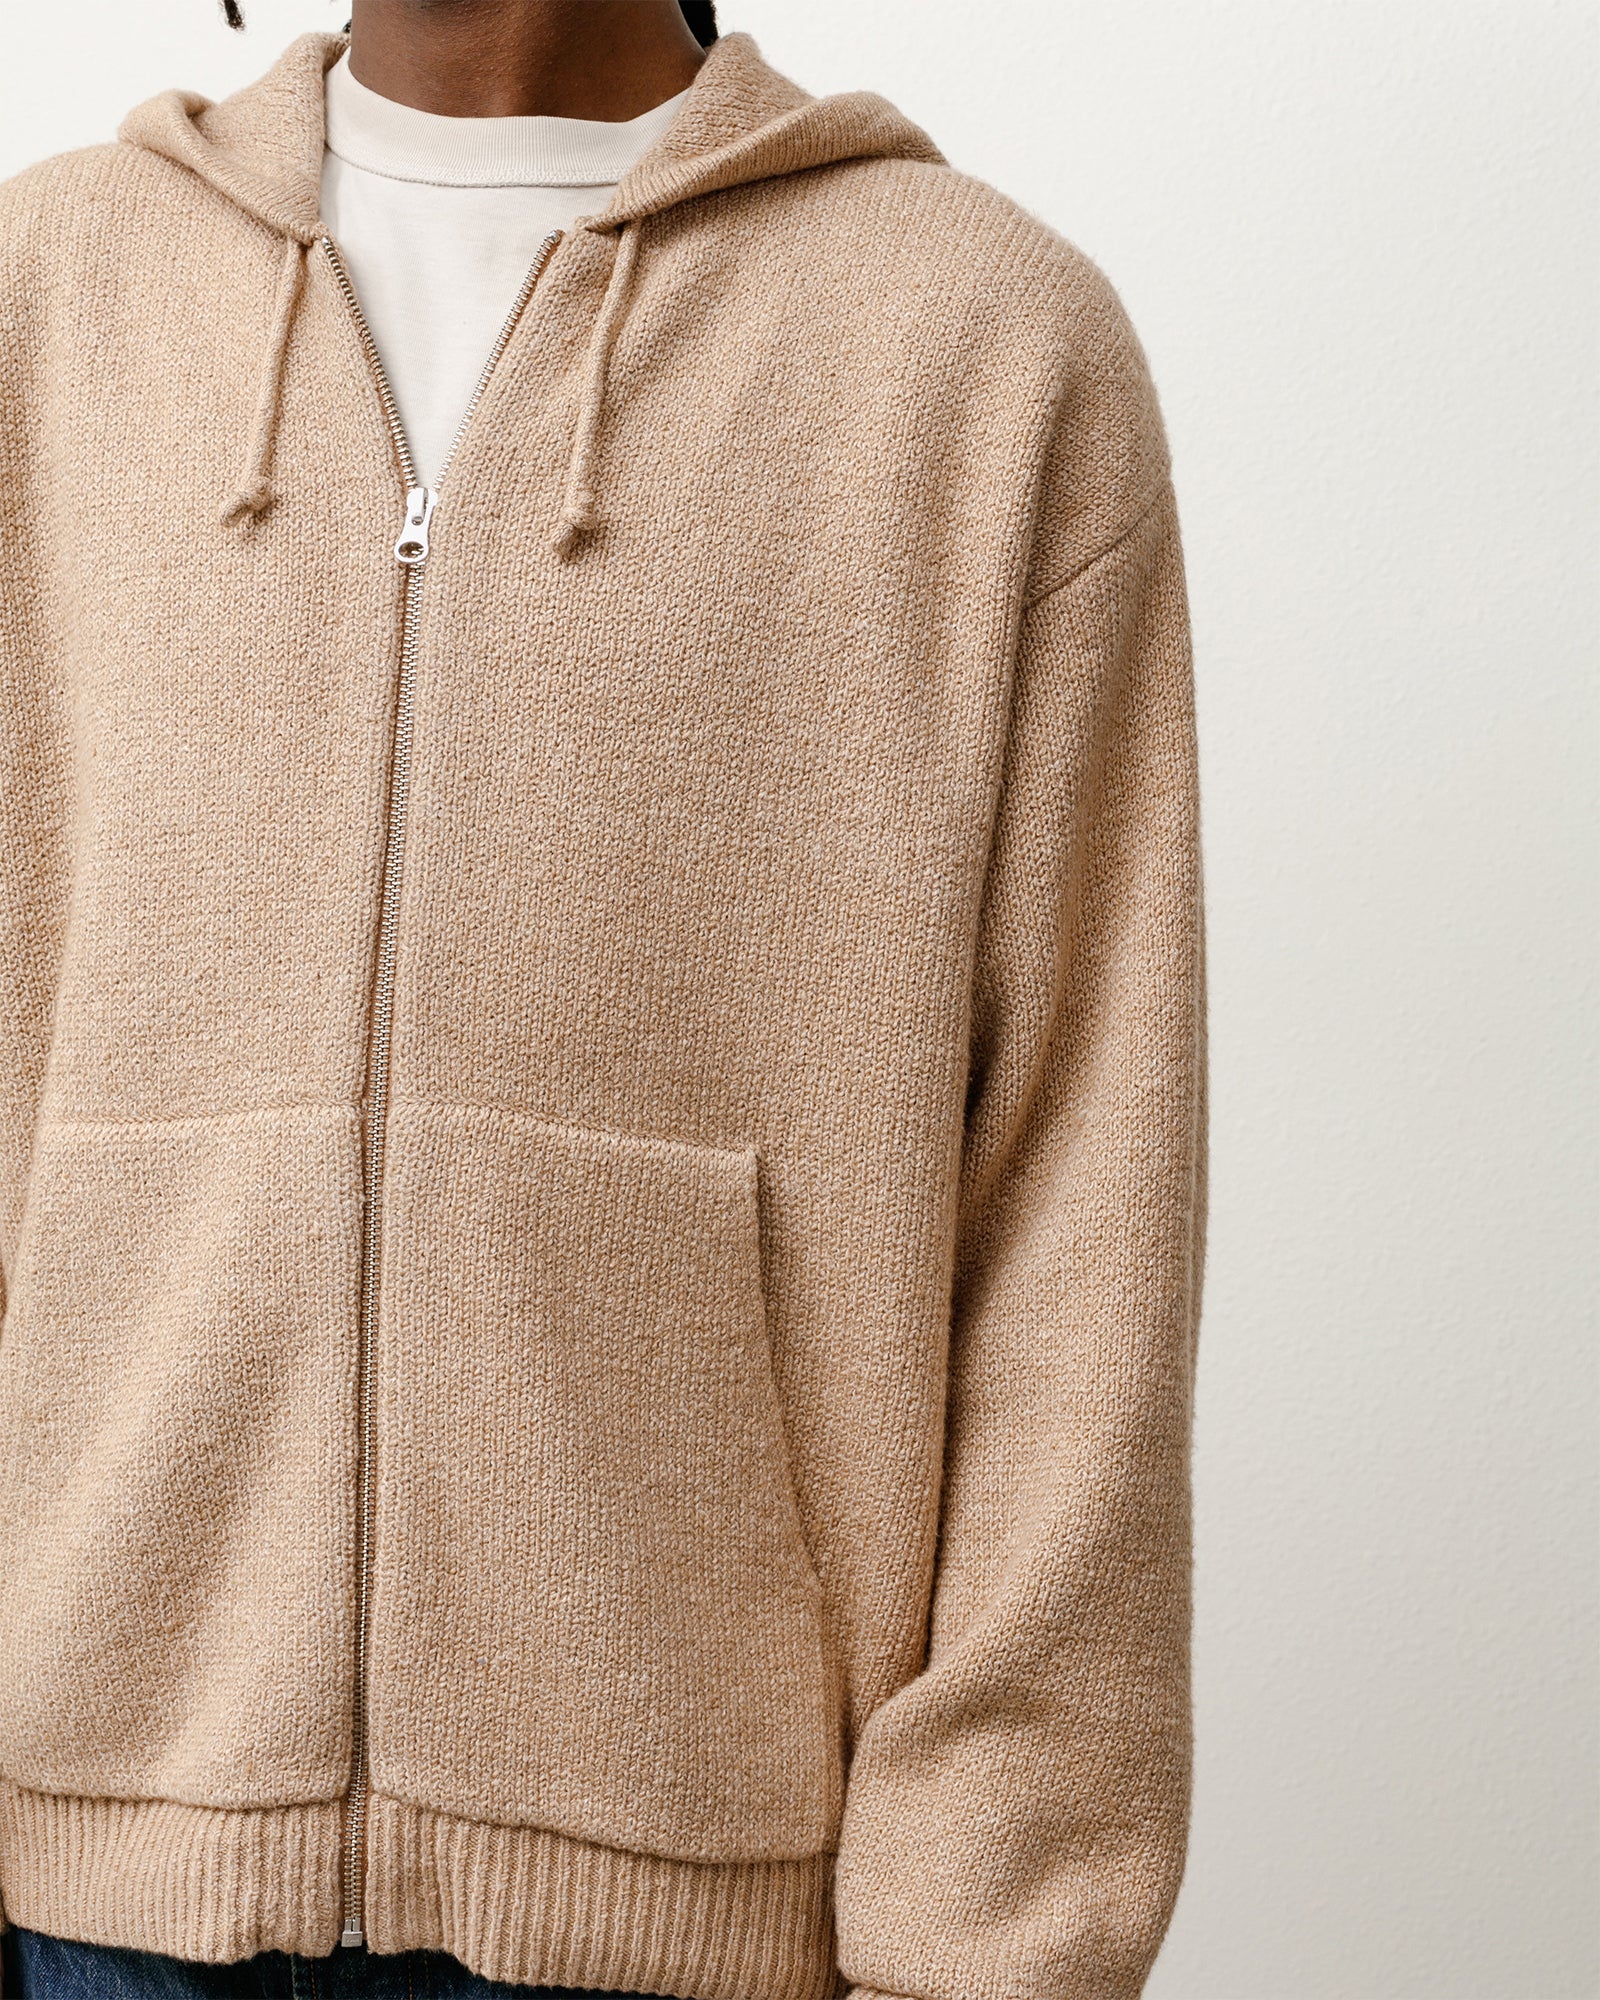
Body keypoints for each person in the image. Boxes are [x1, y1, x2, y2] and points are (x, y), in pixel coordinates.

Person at [0, 2, 1207, 1998]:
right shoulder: (51, 304)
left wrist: (993, 1940)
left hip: (699, 1912)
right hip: (80, 1886)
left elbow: (1082, 1216)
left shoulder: (980, 351)